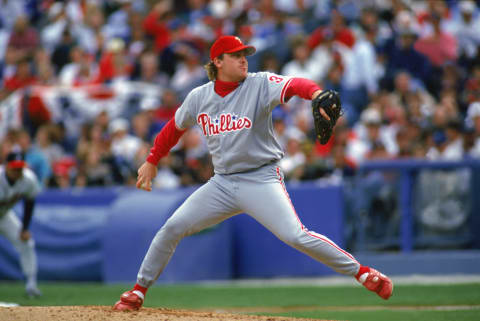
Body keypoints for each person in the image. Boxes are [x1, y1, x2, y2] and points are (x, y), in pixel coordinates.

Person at [113, 35, 393, 311]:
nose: (243, 60)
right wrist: (152, 160)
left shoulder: (258, 83)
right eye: (236, 55)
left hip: (261, 178)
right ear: (218, 62)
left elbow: (296, 84)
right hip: (221, 184)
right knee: (172, 227)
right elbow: (173, 129)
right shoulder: (199, 97)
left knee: (296, 235)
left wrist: (317, 93)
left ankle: (364, 273)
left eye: (244, 54)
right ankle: (138, 291)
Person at [0, 148, 42, 297]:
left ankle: (31, 285)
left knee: (27, 243)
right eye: (14, 168)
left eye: (20, 168)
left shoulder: (28, 179)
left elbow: (30, 202)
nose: (18, 172)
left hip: (4, 216)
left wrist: (25, 228)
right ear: (6, 166)